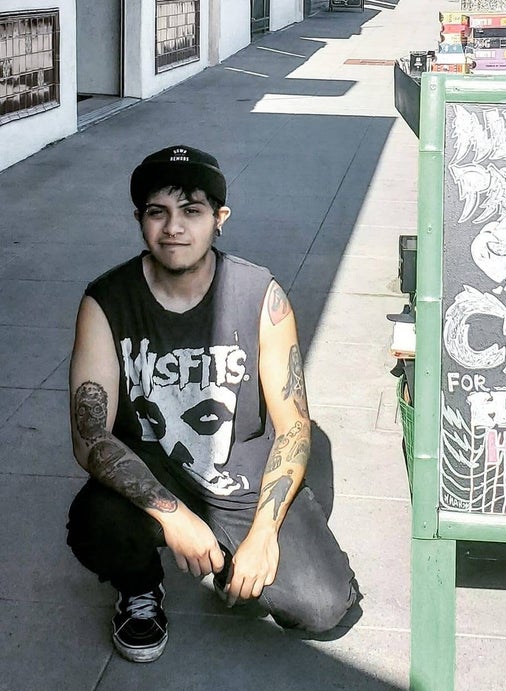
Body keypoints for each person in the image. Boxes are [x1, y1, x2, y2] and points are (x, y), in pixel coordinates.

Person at [67, 145, 359, 663]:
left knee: (322, 605)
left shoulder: (260, 295)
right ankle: (140, 586)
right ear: (140, 220)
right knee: (95, 523)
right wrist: (175, 515)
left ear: (220, 218)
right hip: (153, 472)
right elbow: (90, 436)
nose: (174, 228)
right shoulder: (107, 301)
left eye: (192, 210)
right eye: (157, 212)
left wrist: (264, 534)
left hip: (240, 481)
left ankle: (233, 558)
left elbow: (294, 425)